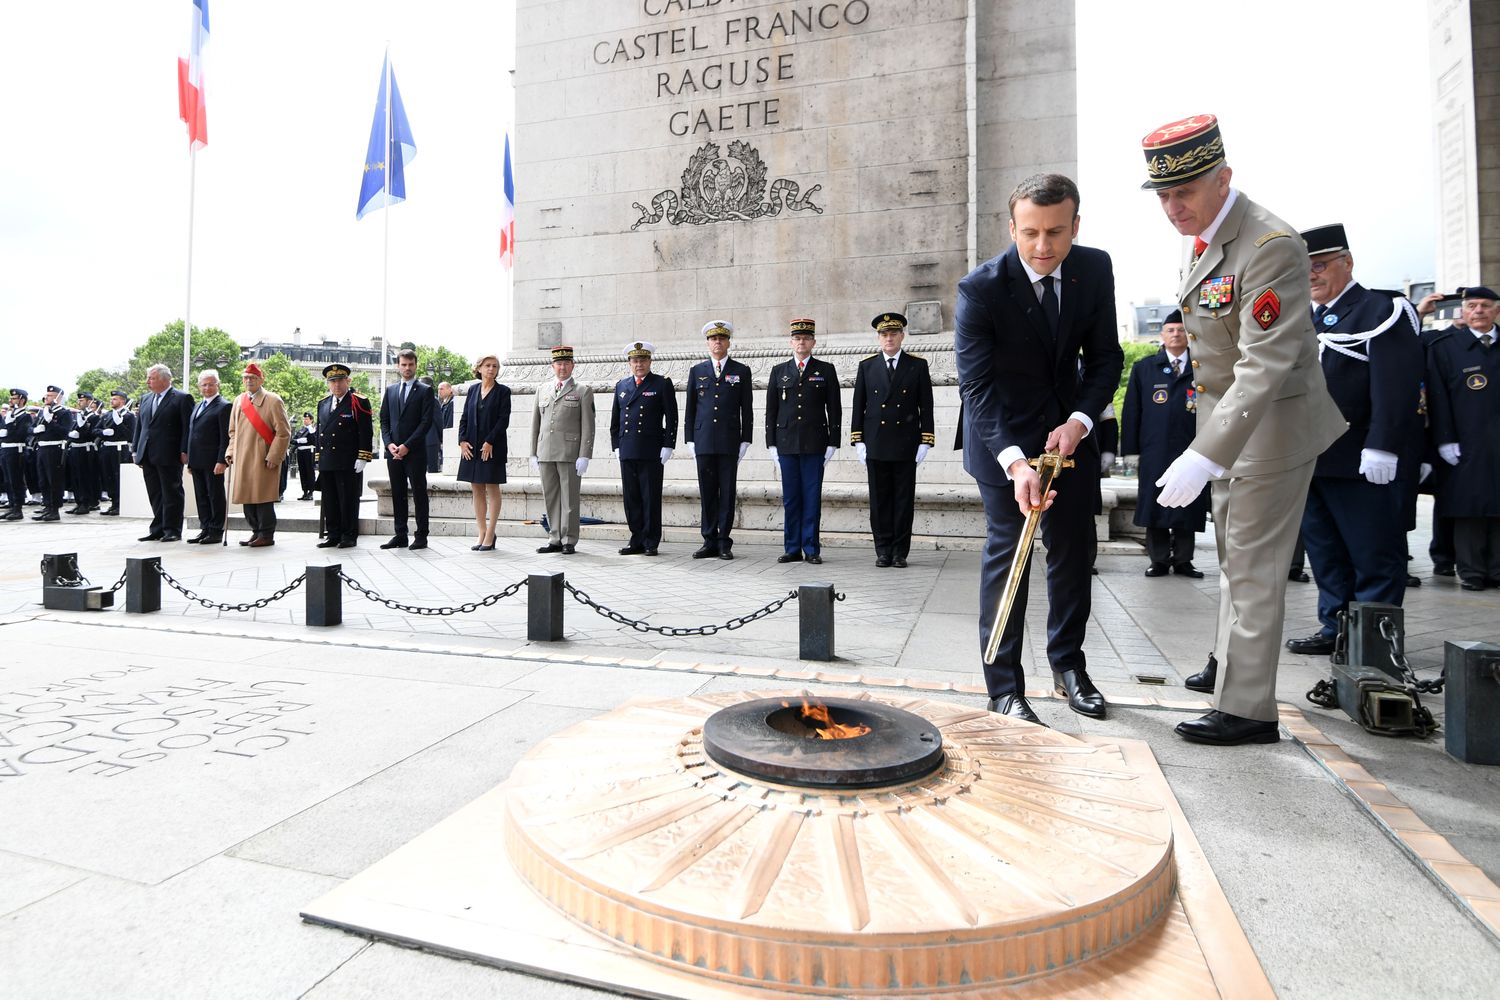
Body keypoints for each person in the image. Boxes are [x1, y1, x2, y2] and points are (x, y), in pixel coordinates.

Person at [1141, 114, 1346, 745]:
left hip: (1271, 432)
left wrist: (1205, 453)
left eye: (1186, 192)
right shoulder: (1208, 237)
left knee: (1253, 570)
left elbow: (1265, 362)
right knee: (1235, 562)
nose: (1173, 207)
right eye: (1164, 196)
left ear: (1224, 178)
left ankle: (1249, 710)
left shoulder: (1270, 245)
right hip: (1234, 430)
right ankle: (1234, 673)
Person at [955, 173, 1123, 725]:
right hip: (1001, 440)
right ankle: (1003, 687)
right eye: (1030, 233)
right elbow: (976, 389)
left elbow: (1104, 359)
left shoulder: (1094, 269)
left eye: (1056, 232)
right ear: (1012, 228)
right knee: (1012, 558)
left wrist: (1078, 421)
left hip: (1068, 438)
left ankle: (1068, 666)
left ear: (1076, 225)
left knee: (1075, 553)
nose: (1043, 247)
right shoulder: (980, 289)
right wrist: (1014, 462)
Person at [1278, 223, 1424, 652]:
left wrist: (1383, 444)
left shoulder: (1382, 310)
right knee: (1326, 551)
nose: (1311, 276)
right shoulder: (1306, 317)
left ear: (1347, 262)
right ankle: (1335, 627)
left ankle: (1377, 639)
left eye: (1320, 266)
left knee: (1374, 551)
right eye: (1304, 269)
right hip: (1312, 456)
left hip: (1362, 458)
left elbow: (1396, 384)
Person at [1121, 309, 1209, 577]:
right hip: (1154, 449)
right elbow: (1132, 411)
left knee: (1188, 500)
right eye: (1170, 330)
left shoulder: (1202, 368)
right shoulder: (1145, 368)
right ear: (1162, 335)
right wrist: (1131, 451)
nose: (1176, 334)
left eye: (1181, 330)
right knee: (1155, 502)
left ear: (1189, 335)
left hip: (1191, 448)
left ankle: (1184, 560)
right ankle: (1158, 559)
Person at [1426, 285, 1500, 589]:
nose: (1478, 311)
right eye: (1472, 306)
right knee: (1468, 506)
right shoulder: (1446, 346)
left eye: (1485, 305)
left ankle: (1497, 570)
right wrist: (1444, 439)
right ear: (1463, 311)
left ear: (1496, 310)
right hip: (1465, 440)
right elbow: (1437, 396)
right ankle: (1471, 571)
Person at [851, 312, 935, 568]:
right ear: (879, 338)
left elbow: (926, 407)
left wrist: (926, 440)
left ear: (902, 336)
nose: (889, 338)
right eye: (884, 334)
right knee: (879, 500)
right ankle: (883, 550)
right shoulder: (867, 366)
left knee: (902, 500)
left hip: (905, 442)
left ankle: (900, 552)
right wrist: (858, 440)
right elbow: (859, 406)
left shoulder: (917, 365)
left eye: (893, 334)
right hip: (876, 443)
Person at [766, 319, 841, 564]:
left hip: (814, 443)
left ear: (813, 342)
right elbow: (771, 410)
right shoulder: (779, 370)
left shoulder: (825, 370)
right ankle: (791, 548)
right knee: (791, 499)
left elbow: (835, 408)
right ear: (791, 342)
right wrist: (771, 443)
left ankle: (811, 548)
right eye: (797, 338)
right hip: (786, 443)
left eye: (806, 338)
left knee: (811, 497)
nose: (802, 342)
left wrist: (833, 442)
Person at [685, 320, 754, 560]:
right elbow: (690, 409)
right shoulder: (697, 371)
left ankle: (724, 541)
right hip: (703, 439)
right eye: (713, 339)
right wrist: (690, 439)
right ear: (707, 343)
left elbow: (748, 408)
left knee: (726, 492)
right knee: (707, 492)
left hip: (728, 440)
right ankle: (708, 540)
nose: (717, 343)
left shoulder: (741, 370)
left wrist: (746, 439)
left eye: (721, 339)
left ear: (728, 342)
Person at [610, 341, 677, 556]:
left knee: (650, 497)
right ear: (629, 363)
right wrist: (616, 445)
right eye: (635, 360)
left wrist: (668, 444)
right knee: (632, 498)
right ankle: (636, 538)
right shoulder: (622, 385)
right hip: (627, 449)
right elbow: (615, 420)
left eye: (643, 360)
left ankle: (651, 541)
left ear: (650, 361)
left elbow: (672, 417)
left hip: (650, 450)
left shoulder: (661, 384)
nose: (639, 364)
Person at [529, 345, 594, 555]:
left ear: (573, 365)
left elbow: (588, 426)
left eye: (566, 363)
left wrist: (584, 454)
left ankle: (569, 539)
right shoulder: (543, 389)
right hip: (546, 451)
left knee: (569, 498)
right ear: (552, 366)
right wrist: (532, 451)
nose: (562, 367)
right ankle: (554, 537)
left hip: (569, 452)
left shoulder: (582, 391)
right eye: (558, 363)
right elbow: (535, 423)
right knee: (551, 496)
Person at [225, 362, 292, 548]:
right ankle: (255, 532)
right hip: (242, 458)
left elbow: (284, 432)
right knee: (247, 497)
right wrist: (230, 451)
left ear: (261, 380)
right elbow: (232, 431)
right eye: (246, 377)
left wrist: (274, 456)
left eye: (253, 378)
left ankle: (266, 534)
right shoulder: (239, 400)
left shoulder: (273, 400)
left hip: (263, 458)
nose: (249, 381)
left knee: (263, 499)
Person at [378, 349, 436, 550]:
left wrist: (407, 446)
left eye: (410, 364)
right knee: (398, 493)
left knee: (419, 493)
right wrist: (389, 444)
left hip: (415, 452)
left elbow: (426, 422)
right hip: (393, 452)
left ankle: (421, 536)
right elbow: (384, 420)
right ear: (398, 366)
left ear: (416, 365)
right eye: (403, 364)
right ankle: (400, 534)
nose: (407, 368)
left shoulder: (424, 390)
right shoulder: (391, 390)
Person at [132, 363, 194, 542]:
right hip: (147, 453)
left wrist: (185, 450)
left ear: (164, 379)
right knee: (155, 493)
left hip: (169, 453)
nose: (147, 382)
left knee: (171, 492)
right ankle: (157, 528)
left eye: (152, 378)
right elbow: (140, 426)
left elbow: (186, 428)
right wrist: (135, 449)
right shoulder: (145, 399)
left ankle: (172, 529)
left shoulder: (182, 398)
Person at [315, 364, 374, 549]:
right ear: (328, 383)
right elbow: (319, 433)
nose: (336, 385)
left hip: (348, 460)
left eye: (340, 380)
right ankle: (332, 534)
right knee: (330, 500)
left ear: (347, 381)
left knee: (348, 500)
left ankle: (348, 535)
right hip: (328, 460)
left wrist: (363, 456)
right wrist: (318, 458)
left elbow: (365, 431)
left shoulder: (358, 401)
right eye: (332, 381)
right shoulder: (323, 403)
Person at [457, 355, 512, 551]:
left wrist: (490, 441)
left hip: (492, 447)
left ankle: (491, 533)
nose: (491, 369)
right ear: (479, 368)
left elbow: (503, 421)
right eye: (487, 366)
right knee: (476, 488)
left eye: (495, 366)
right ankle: (481, 531)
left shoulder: (503, 392)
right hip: (472, 447)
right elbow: (464, 418)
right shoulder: (472, 390)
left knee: (492, 487)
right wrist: (462, 441)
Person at [185, 370, 231, 545]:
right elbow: (191, 433)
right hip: (197, 460)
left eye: (211, 384)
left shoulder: (224, 406)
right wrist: (190, 460)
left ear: (217, 385)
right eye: (204, 384)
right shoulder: (198, 406)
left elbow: (224, 437)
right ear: (199, 387)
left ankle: (216, 530)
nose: (207, 387)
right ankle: (205, 528)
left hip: (213, 461)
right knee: (201, 496)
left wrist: (221, 460)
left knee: (215, 495)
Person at [29, 386, 74, 522]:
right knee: (43, 481)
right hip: (42, 448)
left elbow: (65, 431)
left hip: (55, 449)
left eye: (49, 395)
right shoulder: (44, 412)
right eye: (46, 395)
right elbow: (31, 428)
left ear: (58, 397)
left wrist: (51, 423)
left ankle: (54, 510)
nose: (46, 397)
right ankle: (47, 506)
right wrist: (35, 430)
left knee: (54, 480)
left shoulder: (64, 413)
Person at [97, 388, 135, 515]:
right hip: (107, 448)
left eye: (115, 399)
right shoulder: (107, 415)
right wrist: (103, 432)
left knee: (118, 476)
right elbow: (95, 430)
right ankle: (113, 503)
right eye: (111, 398)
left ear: (122, 401)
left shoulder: (129, 416)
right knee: (107, 477)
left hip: (119, 449)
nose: (111, 400)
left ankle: (120, 504)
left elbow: (131, 435)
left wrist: (119, 424)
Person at [64, 392, 100, 515]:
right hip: (75, 449)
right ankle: (79, 502)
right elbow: (71, 430)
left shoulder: (93, 417)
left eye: (82, 400)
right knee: (75, 478)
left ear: (89, 402)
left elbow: (93, 433)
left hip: (86, 449)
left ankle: (86, 503)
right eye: (79, 401)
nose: (79, 402)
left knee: (84, 477)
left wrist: (82, 431)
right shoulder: (79, 416)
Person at [1, 389, 33, 521]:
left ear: (22, 400)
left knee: (16, 480)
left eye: (14, 398)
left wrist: (9, 427)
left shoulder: (25, 416)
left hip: (17, 450)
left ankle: (18, 508)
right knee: (8, 480)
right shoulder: (11, 414)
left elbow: (21, 434)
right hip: (6, 450)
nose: (10, 400)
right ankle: (12, 505)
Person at [429, 380, 454, 474]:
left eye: (442, 389)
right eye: (438, 389)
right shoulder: (444, 403)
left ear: (449, 389)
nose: (439, 391)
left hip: (446, 436)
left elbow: (448, 421)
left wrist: (443, 437)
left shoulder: (452, 402)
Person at [292, 413, 316, 500]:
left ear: (311, 420)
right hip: (301, 451)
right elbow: (293, 440)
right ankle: (305, 491)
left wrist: (307, 439)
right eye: (304, 419)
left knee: (310, 471)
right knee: (302, 472)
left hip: (309, 451)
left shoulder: (313, 430)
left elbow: (314, 441)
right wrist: (299, 440)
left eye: (307, 419)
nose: (305, 420)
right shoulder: (301, 430)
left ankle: (311, 492)